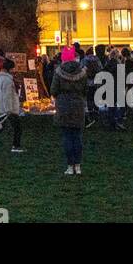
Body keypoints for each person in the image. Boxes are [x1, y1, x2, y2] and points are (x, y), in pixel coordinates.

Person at [51, 48, 87, 176]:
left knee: (67, 137)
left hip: (64, 105)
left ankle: (69, 166)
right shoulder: (82, 73)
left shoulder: (58, 72)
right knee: (77, 137)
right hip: (78, 105)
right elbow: (85, 90)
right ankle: (78, 166)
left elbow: (53, 90)